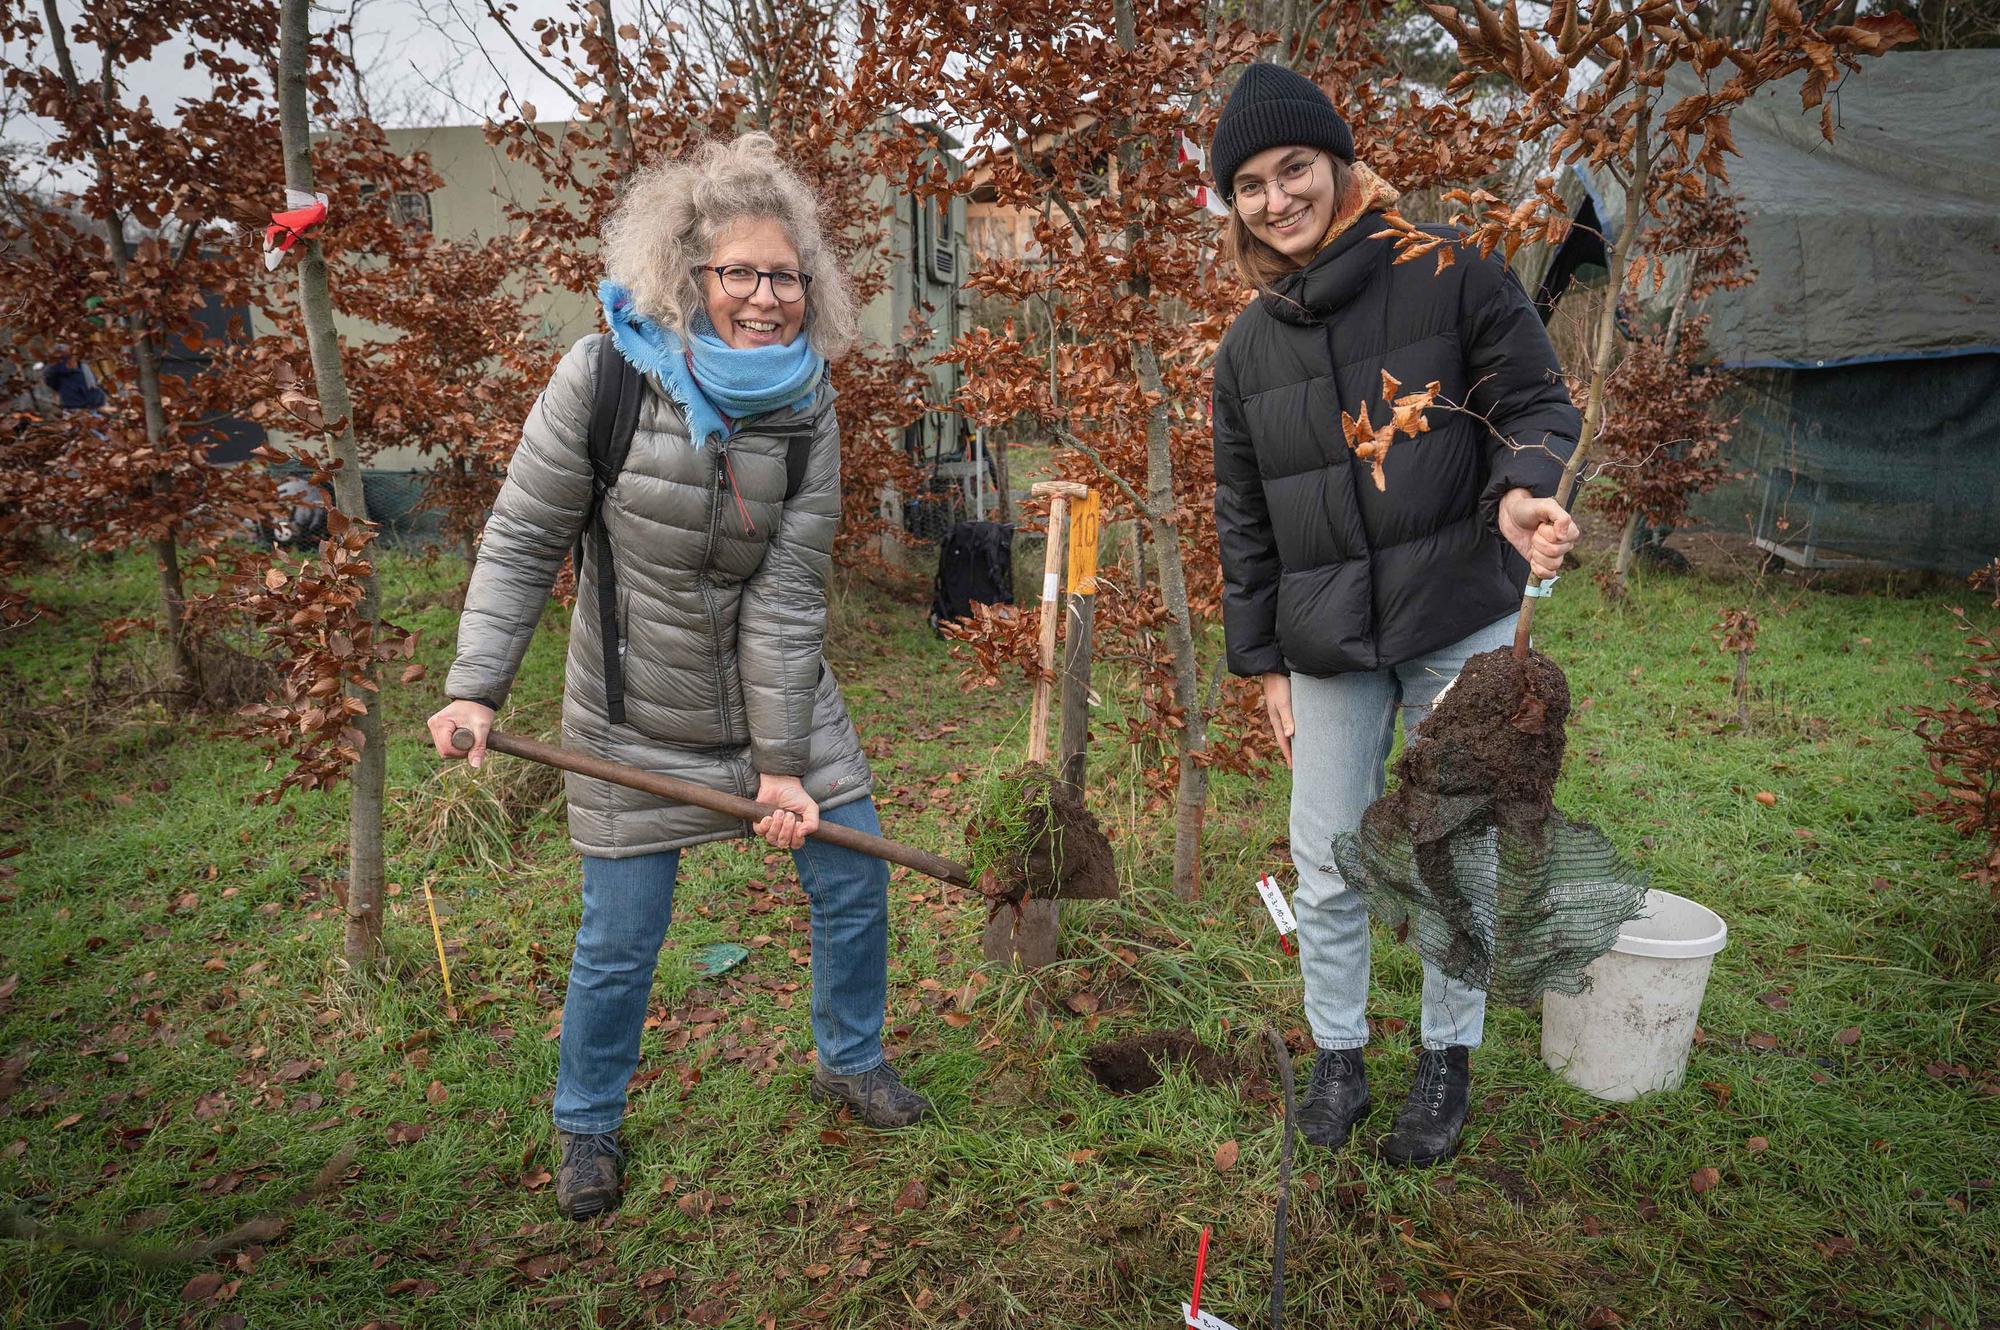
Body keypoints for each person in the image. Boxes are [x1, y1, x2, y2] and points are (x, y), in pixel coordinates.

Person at [426, 133, 929, 1222]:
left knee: (852, 879)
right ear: (688, 274)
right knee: (620, 934)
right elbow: (520, 538)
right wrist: (476, 685)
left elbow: (788, 594)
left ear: (813, 285)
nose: (763, 297)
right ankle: (585, 1119)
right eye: (738, 272)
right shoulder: (601, 374)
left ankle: (847, 1058)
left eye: (784, 275)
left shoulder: (806, 404)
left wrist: (784, 763)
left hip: (774, 699)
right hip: (627, 710)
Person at [1208, 64, 1581, 1167]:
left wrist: (1520, 490)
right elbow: (1243, 519)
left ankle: (1442, 1061)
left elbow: (1530, 401)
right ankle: (1337, 1056)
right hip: (1323, 638)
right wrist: (1265, 667)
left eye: (1293, 170)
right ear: (1229, 206)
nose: (1277, 200)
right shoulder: (1243, 350)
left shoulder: (1450, 272)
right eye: (1249, 186)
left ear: (1337, 163)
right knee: (1322, 853)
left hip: (1455, 609)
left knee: (1447, 852)